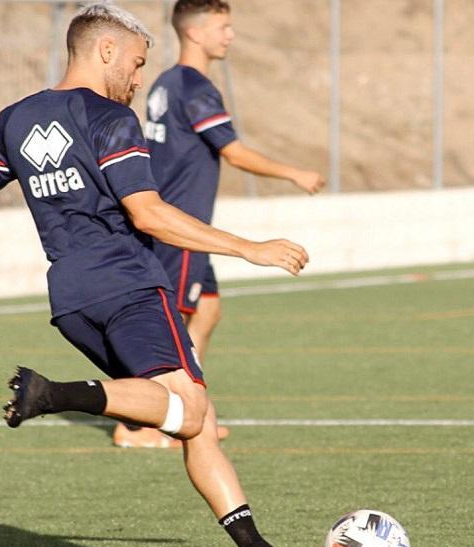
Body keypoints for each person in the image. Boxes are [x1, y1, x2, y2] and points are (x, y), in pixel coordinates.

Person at [0, 4, 307, 547]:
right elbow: (149, 213)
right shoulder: (111, 119)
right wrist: (249, 248)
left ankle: (256, 546)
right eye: (136, 65)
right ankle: (55, 394)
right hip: (129, 284)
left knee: (193, 417)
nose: (139, 81)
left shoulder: (14, 119)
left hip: (71, 299)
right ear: (105, 50)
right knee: (190, 413)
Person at [113, 0, 326, 448]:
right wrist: (293, 172)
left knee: (207, 311)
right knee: (167, 325)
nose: (230, 35)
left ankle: (190, 410)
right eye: (222, 26)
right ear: (195, 31)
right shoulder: (195, 87)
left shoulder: (168, 82)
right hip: (181, 227)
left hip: (189, 228)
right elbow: (232, 151)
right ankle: (136, 425)